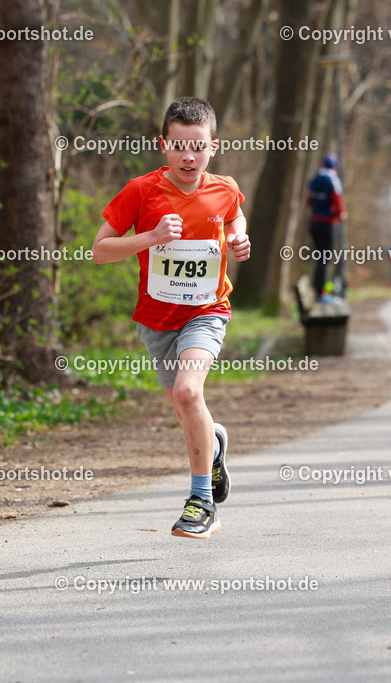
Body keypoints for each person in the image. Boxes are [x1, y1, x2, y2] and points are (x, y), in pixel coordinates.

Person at [92, 97, 249, 538]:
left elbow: (235, 216)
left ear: (212, 147)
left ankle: (202, 503)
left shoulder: (225, 188)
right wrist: (151, 237)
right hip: (156, 319)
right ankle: (213, 444)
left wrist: (238, 239)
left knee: (187, 391)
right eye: (179, 145)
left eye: (198, 147)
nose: (188, 156)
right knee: (186, 410)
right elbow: (100, 250)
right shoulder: (140, 191)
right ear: (164, 145)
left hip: (207, 310)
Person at [307, 154, 347, 302]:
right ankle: (321, 293)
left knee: (320, 257)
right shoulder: (333, 180)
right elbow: (337, 201)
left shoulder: (315, 179)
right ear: (335, 166)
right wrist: (341, 214)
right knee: (325, 257)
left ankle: (319, 290)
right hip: (327, 223)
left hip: (314, 222)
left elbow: (309, 201)